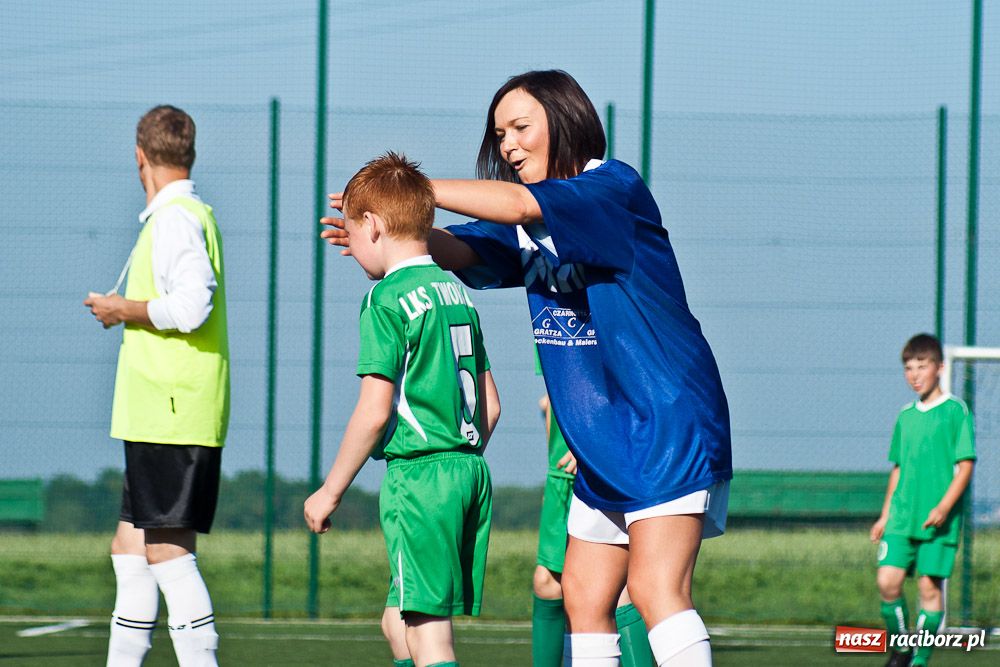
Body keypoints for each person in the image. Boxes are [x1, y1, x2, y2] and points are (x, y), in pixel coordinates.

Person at [323, 70, 731, 667]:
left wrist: (404, 190)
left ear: (565, 121)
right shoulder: (524, 227)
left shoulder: (610, 188)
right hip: (604, 439)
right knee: (583, 596)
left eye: (520, 127)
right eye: (499, 133)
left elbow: (517, 202)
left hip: (664, 419)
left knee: (652, 589)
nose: (508, 144)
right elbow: (461, 251)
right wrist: (387, 230)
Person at [305, 152, 501, 667]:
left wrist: (330, 491)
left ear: (370, 225)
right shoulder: (456, 293)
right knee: (397, 622)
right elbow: (492, 406)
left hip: (420, 478)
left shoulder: (385, 300)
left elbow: (373, 413)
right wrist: (458, 455)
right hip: (468, 470)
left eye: (351, 231)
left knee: (430, 636)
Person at [84, 105, 229, 667]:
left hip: (175, 411)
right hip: (158, 414)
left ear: (140, 157)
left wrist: (123, 308)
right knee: (130, 549)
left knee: (168, 552)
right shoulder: (180, 215)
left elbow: (194, 305)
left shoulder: (175, 219)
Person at [534, 362, 653, 667]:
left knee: (623, 590)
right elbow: (555, 392)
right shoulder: (549, 315)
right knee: (548, 583)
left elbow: (628, 373)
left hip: (601, 458)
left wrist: (592, 439)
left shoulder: (601, 314)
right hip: (564, 470)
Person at [870, 333, 975, 667]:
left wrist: (944, 507)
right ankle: (902, 648)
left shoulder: (955, 410)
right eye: (908, 368)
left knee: (929, 589)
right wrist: (885, 515)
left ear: (940, 367)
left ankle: (920, 660)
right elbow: (898, 469)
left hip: (938, 521)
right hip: (902, 516)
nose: (914, 374)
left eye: (922, 366)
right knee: (888, 581)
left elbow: (965, 466)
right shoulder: (905, 415)